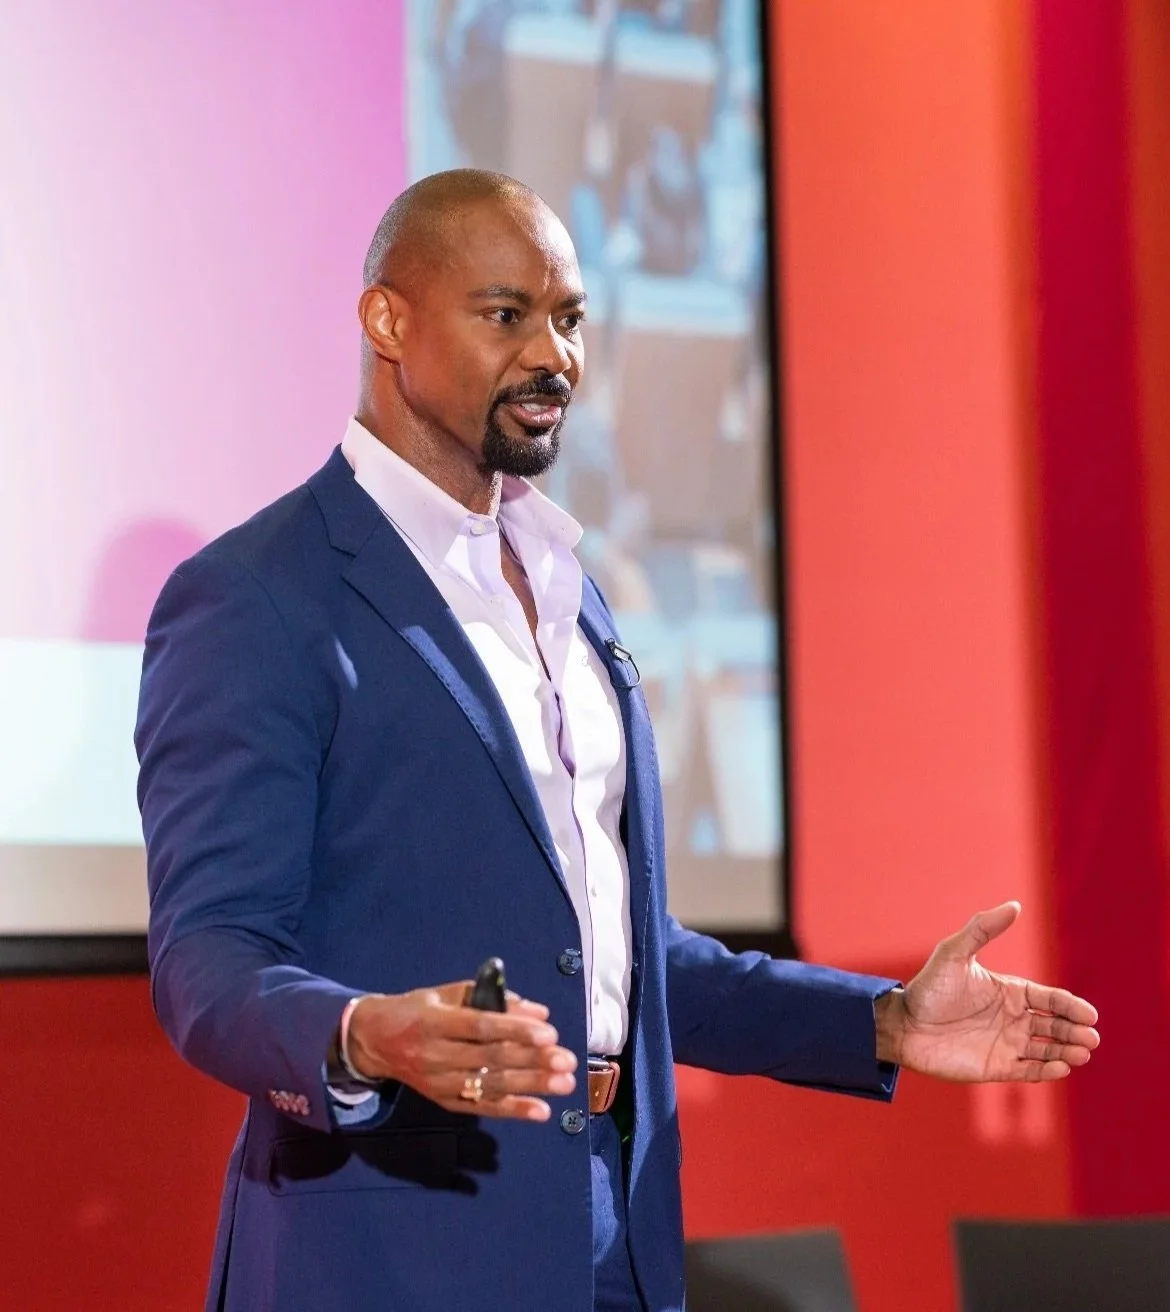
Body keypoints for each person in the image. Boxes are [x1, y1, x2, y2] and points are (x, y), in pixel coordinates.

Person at [135, 169, 1099, 1312]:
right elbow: (209, 959)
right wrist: (360, 1033)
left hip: (613, 1235)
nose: (555, 357)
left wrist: (880, 1021)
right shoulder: (257, 597)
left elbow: (623, 954)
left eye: (570, 318)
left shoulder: (567, 587)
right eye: (507, 315)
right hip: (392, 1250)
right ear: (388, 320)